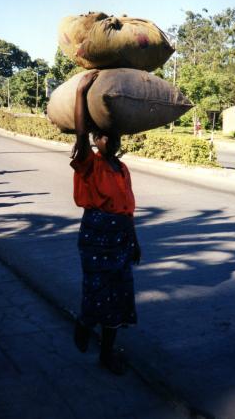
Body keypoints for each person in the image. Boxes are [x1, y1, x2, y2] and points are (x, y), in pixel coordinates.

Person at [70, 70, 141, 376]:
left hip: (122, 240)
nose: (109, 141)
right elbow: (79, 133)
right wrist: (81, 94)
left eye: (114, 137)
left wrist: (135, 241)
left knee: (120, 296)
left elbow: (127, 208)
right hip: (96, 238)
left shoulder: (122, 168)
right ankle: (85, 322)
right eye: (103, 136)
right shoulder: (89, 163)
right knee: (97, 292)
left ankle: (107, 354)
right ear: (96, 139)